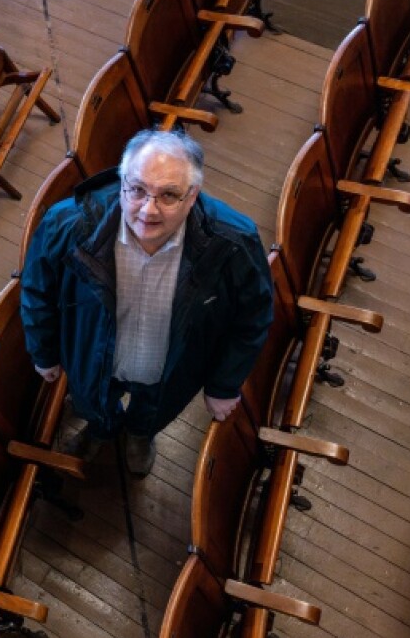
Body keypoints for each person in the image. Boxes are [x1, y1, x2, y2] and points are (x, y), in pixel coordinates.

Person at [20, 129, 273, 477]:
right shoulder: (67, 224)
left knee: (154, 409)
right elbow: (37, 291)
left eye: (169, 195)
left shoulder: (234, 242)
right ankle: (100, 429)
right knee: (92, 400)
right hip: (92, 353)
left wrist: (224, 385)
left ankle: (140, 434)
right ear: (123, 181)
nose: (148, 210)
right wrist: (43, 351)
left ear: (192, 195)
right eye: (137, 189)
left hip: (172, 366)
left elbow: (253, 318)